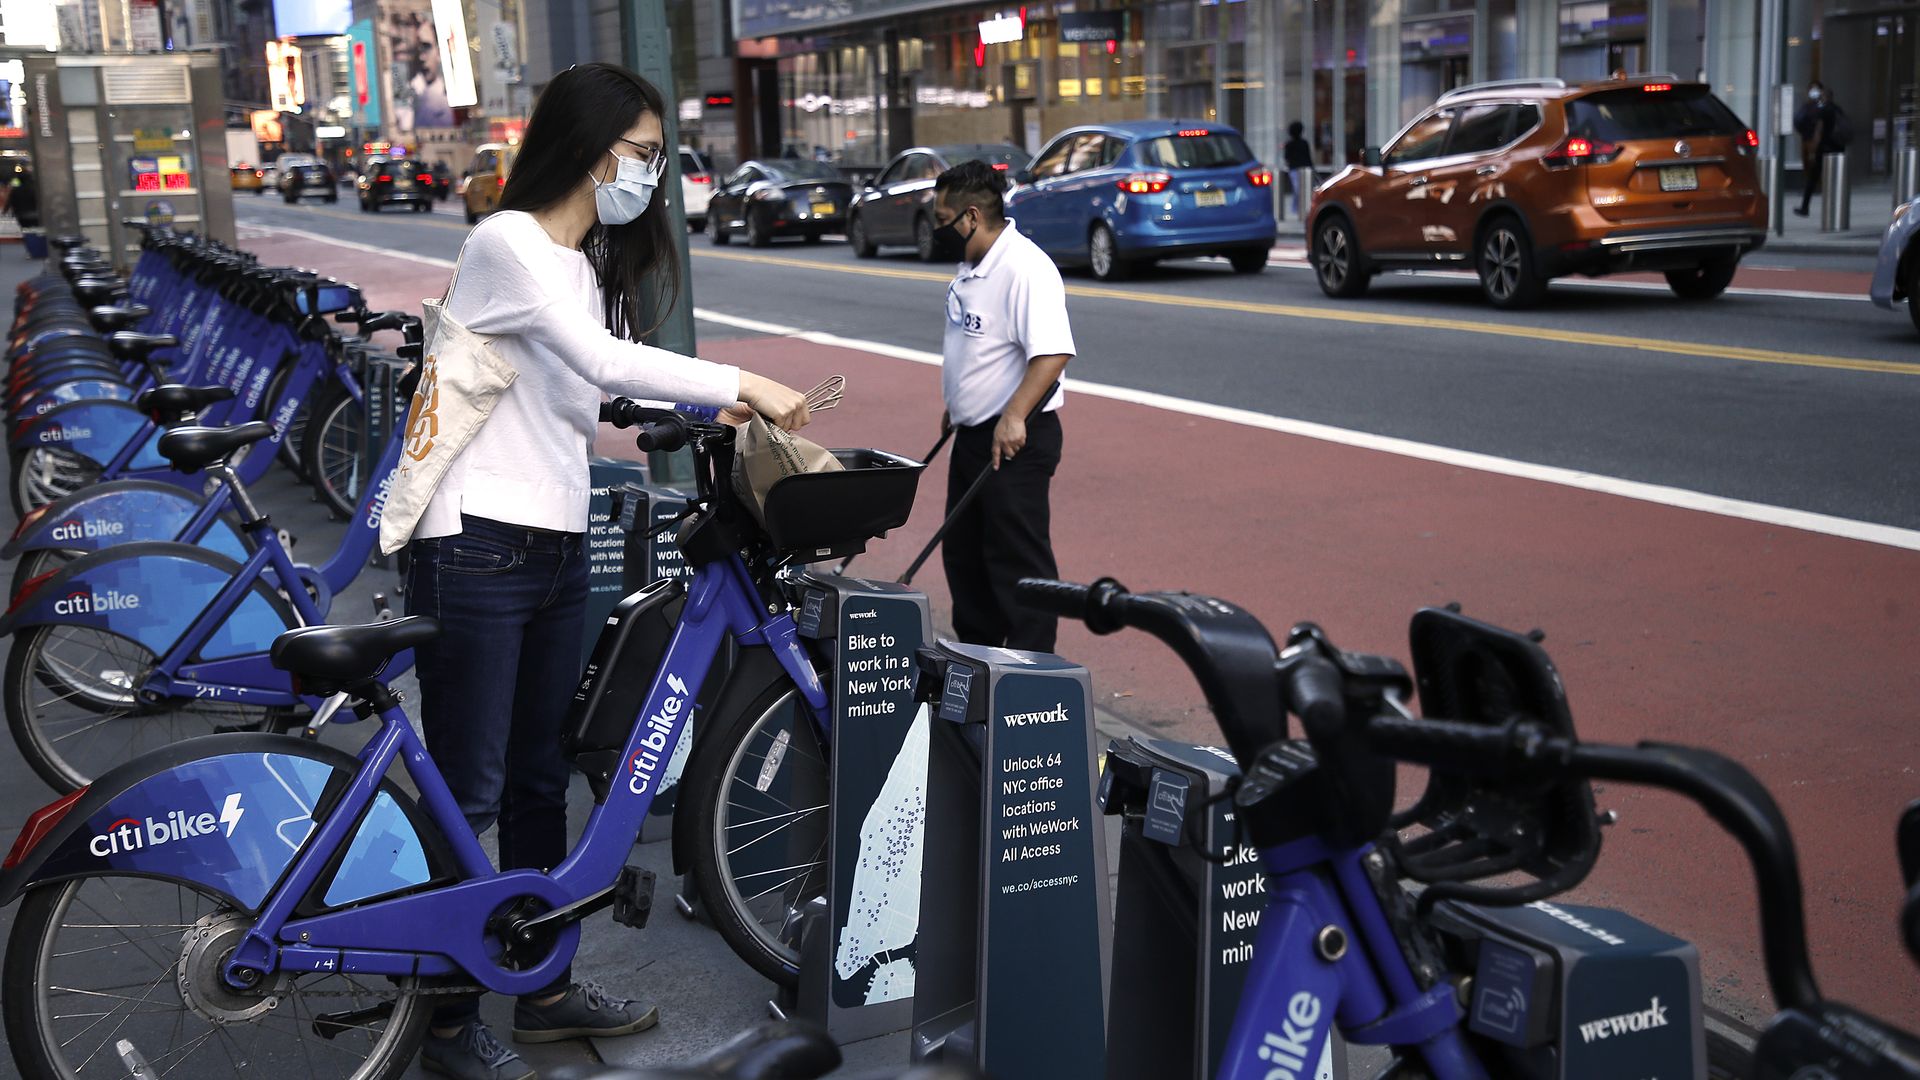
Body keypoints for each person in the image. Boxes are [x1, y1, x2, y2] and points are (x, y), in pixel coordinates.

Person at [403, 62, 810, 1080]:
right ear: (591, 152)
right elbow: (600, 361)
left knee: (542, 779)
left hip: (544, 542)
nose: (652, 172)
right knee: (472, 789)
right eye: (641, 152)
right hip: (475, 545)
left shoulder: (578, 265)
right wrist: (741, 379)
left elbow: (574, 389)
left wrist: (687, 411)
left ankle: (537, 984)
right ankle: (444, 1026)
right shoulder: (506, 243)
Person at [929, 159, 1075, 652]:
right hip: (974, 435)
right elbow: (981, 345)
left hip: (1014, 439)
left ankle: (1034, 671)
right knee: (965, 558)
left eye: (941, 217)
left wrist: (1012, 414)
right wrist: (961, 401)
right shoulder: (972, 264)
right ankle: (980, 659)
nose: (936, 227)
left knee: (1016, 562)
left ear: (970, 217)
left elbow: (1052, 352)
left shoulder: (1025, 267)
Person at [1794, 81, 1844, 217]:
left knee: (1813, 178)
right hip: (1838, 148)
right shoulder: (1837, 109)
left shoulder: (1823, 111)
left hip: (1824, 148)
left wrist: (1813, 150)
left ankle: (1805, 207)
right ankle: (1837, 210)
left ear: (1824, 96)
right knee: (1836, 179)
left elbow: (1818, 131)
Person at [1283, 120, 1313, 216]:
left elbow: (1287, 157)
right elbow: (1308, 157)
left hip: (1298, 169)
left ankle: (1298, 208)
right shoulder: (1302, 143)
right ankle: (1297, 208)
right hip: (1299, 169)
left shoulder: (1290, 144)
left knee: (1298, 189)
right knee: (1298, 189)